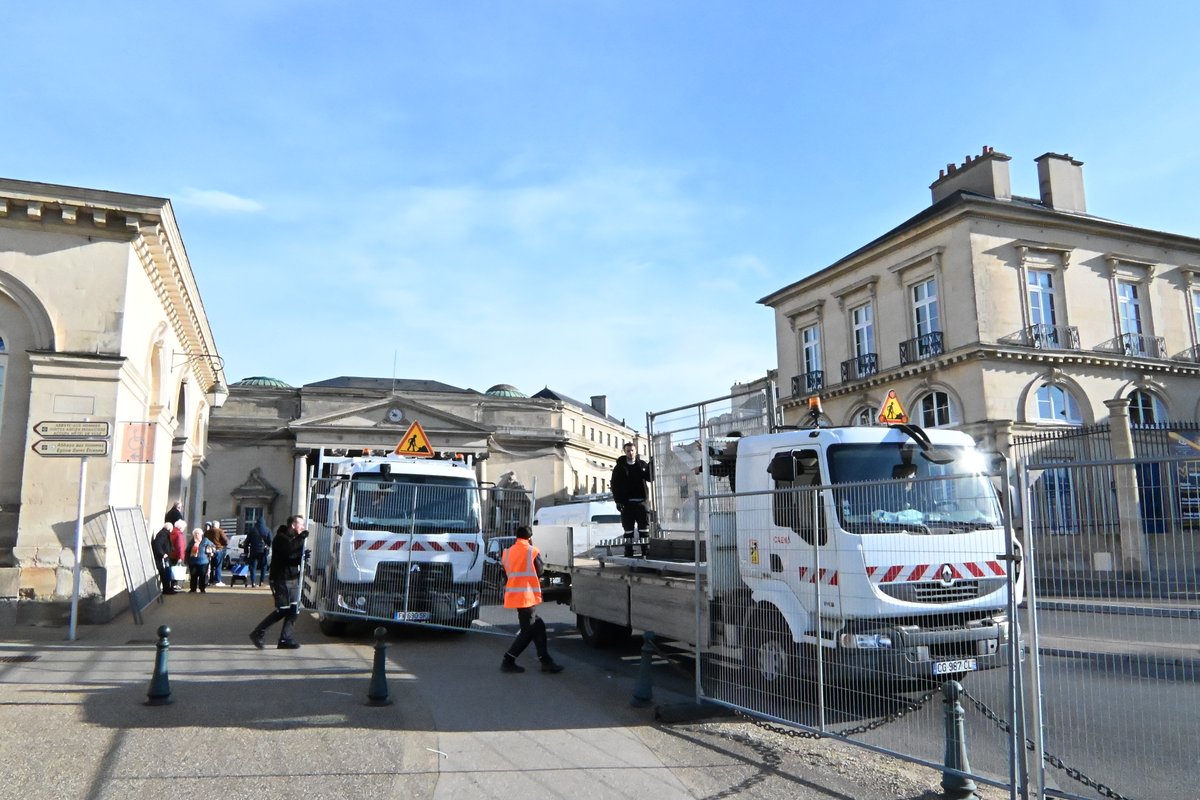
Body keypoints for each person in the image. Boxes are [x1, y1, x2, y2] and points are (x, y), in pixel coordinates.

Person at [500, 526, 563, 674]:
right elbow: (540, 570)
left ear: (517, 537)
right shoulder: (531, 551)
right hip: (526, 596)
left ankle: (545, 660)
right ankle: (508, 660)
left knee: (538, 625)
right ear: (530, 537)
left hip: (516, 595)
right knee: (528, 631)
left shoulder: (508, 552)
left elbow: (508, 572)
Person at [249, 515, 308, 650]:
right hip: (280, 579)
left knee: (294, 610)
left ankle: (285, 639)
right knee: (282, 610)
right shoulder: (281, 538)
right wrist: (302, 537)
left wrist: (303, 556)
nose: (303, 527)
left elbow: (292, 557)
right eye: (301, 524)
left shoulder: (294, 538)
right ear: (293, 525)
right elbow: (289, 550)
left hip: (292, 578)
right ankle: (258, 632)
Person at [611, 442, 654, 557]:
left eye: (632, 450)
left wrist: (651, 464)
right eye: (628, 451)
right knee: (628, 530)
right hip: (627, 504)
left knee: (644, 529)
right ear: (625, 452)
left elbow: (650, 478)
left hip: (641, 502)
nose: (630, 453)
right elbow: (614, 485)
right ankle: (628, 551)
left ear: (636, 451)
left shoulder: (641, 464)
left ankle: (646, 551)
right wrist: (618, 501)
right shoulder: (619, 467)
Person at [244, 517, 272, 588]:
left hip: (254, 551)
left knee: (253, 567)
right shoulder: (267, 530)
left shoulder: (252, 530)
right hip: (263, 551)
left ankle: (253, 582)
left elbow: (246, 542)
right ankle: (261, 582)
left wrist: (246, 552)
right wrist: (268, 547)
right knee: (263, 567)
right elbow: (270, 542)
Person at [185, 527, 214, 593]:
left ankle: (202, 589)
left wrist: (210, 549)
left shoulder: (205, 540)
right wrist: (186, 559)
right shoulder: (192, 541)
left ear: (201, 534)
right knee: (193, 575)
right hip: (193, 561)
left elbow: (213, 546)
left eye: (198, 533)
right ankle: (193, 589)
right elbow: (187, 550)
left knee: (202, 575)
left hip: (203, 561)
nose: (196, 535)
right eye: (195, 533)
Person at [151, 522, 175, 595]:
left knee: (166, 573)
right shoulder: (163, 534)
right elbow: (157, 544)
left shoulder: (164, 534)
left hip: (164, 558)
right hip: (162, 558)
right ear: (169, 528)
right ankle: (166, 589)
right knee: (165, 574)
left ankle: (167, 588)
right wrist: (163, 554)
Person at [206, 521, 229, 586]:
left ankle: (211, 580)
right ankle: (217, 580)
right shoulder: (219, 531)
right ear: (218, 526)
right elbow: (226, 541)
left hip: (210, 550)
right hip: (218, 549)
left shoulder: (207, 532)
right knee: (218, 566)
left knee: (211, 566)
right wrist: (222, 544)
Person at [168, 520, 188, 591]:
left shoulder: (171, 532)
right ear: (181, 527)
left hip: (170, 554)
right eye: (184, 527)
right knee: (175, 570)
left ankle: (171, 585)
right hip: (176, 555)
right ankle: (174, 585)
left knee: (171, 570)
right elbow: (180, 546)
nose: (184, 529)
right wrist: (181, 557)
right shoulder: (179, 534)